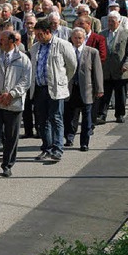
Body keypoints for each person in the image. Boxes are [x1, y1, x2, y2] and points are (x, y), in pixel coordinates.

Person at [0, 30, 31, 178]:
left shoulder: (23, 59)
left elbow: (26, 80)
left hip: (13, 104)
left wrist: (11, 94)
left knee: (11, 136)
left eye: (2, 40)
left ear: (12, 41)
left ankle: (7, 165)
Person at [30, 19, 77, 162]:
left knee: (56, 118)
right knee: (42, 121)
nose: (37, 37)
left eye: (39, 35)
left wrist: (62, 81)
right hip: (39, 88)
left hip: (56, 88)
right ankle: (46, 148)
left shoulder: (63, 45)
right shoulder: (35, 47)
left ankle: (57, 149)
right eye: (35, 35)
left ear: (48, 32)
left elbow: (72, 66)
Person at [63, 28, 104, 151]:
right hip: (71, 88)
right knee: (70, 116)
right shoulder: (67, 51)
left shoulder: (92, 52)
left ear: (84, 38)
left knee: (87, 117)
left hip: (86, 89)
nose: (77, 40)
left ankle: (84, 143)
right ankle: (69, 137)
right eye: (75, 38)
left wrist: (99, 88)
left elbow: (97, 72)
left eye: (80, 38)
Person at [98, 11, 128, 123]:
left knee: (120, 94)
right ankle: (102, 115)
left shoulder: (127, 33)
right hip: (106, 70)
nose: (110, 23)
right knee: (104, 94)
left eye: (113, 21)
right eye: (109, 21)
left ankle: (119, 114)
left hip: (121, 70)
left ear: (119, 22)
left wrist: (127, 64)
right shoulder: (102, 34)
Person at [20, 14, 41, 139]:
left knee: (38, 106)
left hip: (37, 76)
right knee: (26, 106)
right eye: (27, 23)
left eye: (31, 23)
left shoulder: (40, 39)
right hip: (24, 75)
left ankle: (39, 130)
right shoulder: (20, 38)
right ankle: (28, 131)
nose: (29, 26)